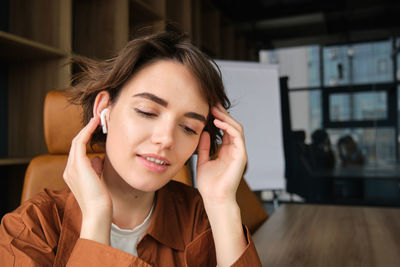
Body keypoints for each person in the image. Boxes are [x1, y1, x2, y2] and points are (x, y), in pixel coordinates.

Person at [0, 31, 261, 266]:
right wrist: (96, 219)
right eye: (147, 112)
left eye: (189, 128)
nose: (166, 139)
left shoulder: (202, 220)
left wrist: (221, 203)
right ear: (104, 110)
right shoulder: (29, 229)